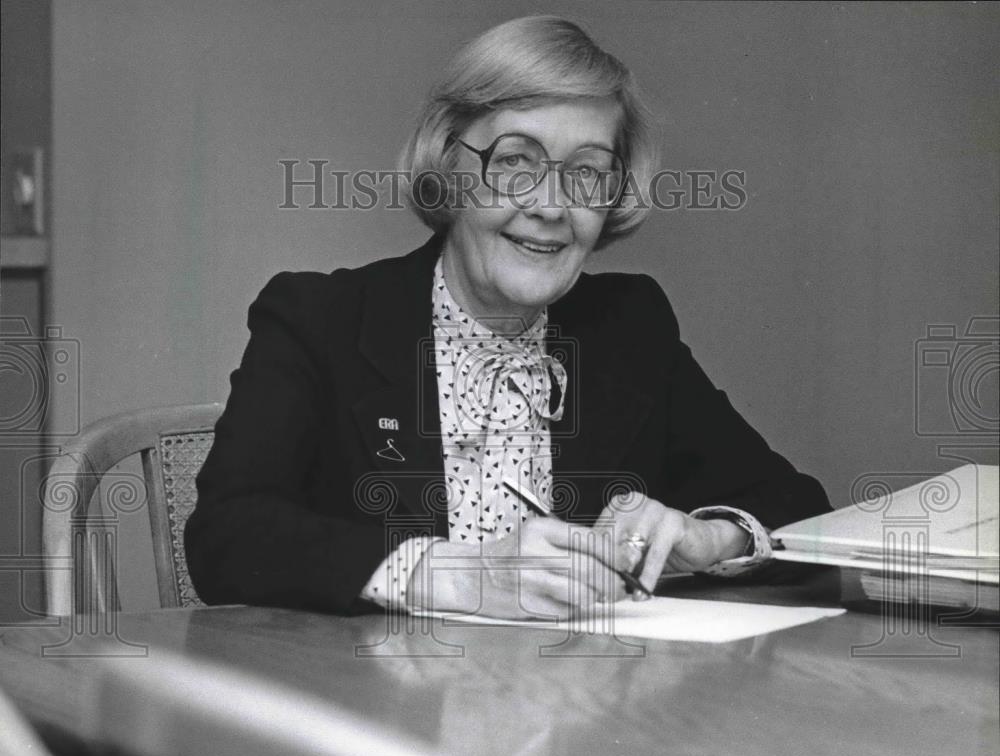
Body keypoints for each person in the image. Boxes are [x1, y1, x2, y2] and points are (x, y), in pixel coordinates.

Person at [184, 16, 831, 620]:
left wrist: (707, 536)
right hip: (378, 714)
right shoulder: (320, 319)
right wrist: (455, 574)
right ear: (448, 162)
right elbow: (228, 536)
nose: (551, 205)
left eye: (586, 173)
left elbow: (797, 505)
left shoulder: (629, 327)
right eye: (516, 162)